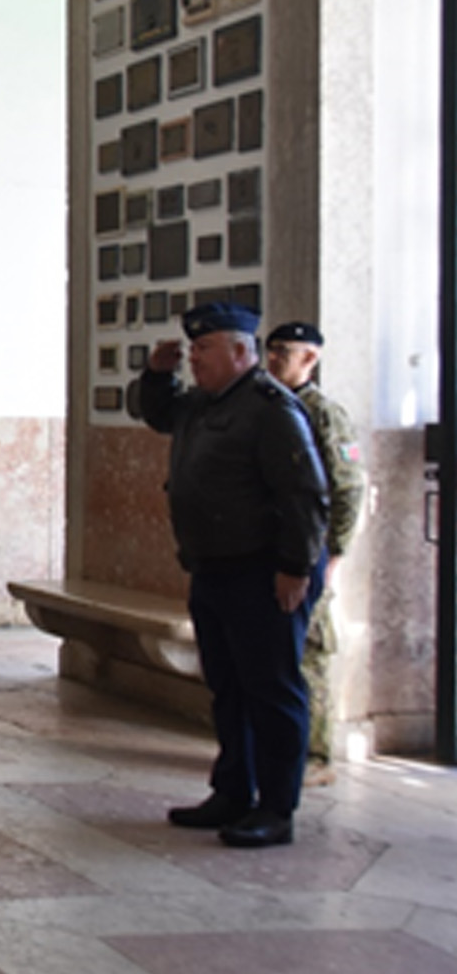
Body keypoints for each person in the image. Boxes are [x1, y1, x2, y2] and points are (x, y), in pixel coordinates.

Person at [141, 303, 329, 848]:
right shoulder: (203, 403)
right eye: (193, 349)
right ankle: (232, 791)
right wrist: (157, 374)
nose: (194, 359)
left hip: (264, 572)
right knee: (228, 687)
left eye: (204, 349)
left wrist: (294, 567)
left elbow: (305, 495)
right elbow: (160, 414)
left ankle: (276, 807)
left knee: (270, 690)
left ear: (241, 351)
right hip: (215, 568)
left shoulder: (271, 409)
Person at [263, 320, 366, 786]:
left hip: (309, 552)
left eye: (284, 352)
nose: (274, 360)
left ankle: (315, 756)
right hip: (272, 549)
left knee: (310, 655)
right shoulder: (268, 406)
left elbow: (347, 487)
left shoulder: (323, 413)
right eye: (270, 351)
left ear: (310, 358)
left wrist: (333, 553)